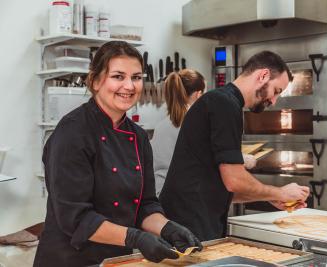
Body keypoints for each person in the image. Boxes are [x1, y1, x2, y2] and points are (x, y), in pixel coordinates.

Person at [33, 41, 202, 267]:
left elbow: (146, 204)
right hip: (68, 260)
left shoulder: (139, 137)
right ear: (95, 81)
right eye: (118, 76)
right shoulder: (72, 132)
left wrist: (167, 227)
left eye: (136, 77)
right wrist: (135, 237)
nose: (129, 86)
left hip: (115, 260)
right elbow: (76, 218)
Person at [159, 51, 310, 241]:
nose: (273, 101)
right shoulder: (224, 104)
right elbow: (234, 181)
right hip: (189, 226)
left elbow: (222, 187)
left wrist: (270, 197)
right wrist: (280, 192)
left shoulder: (223, 102)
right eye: (276, 91)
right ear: (262, 76)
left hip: (190, 221)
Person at [151, 69, 205, 196]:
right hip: (187, 198)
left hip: (161, 195)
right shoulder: (198, 123)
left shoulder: (161, 126)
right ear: (198, 94)